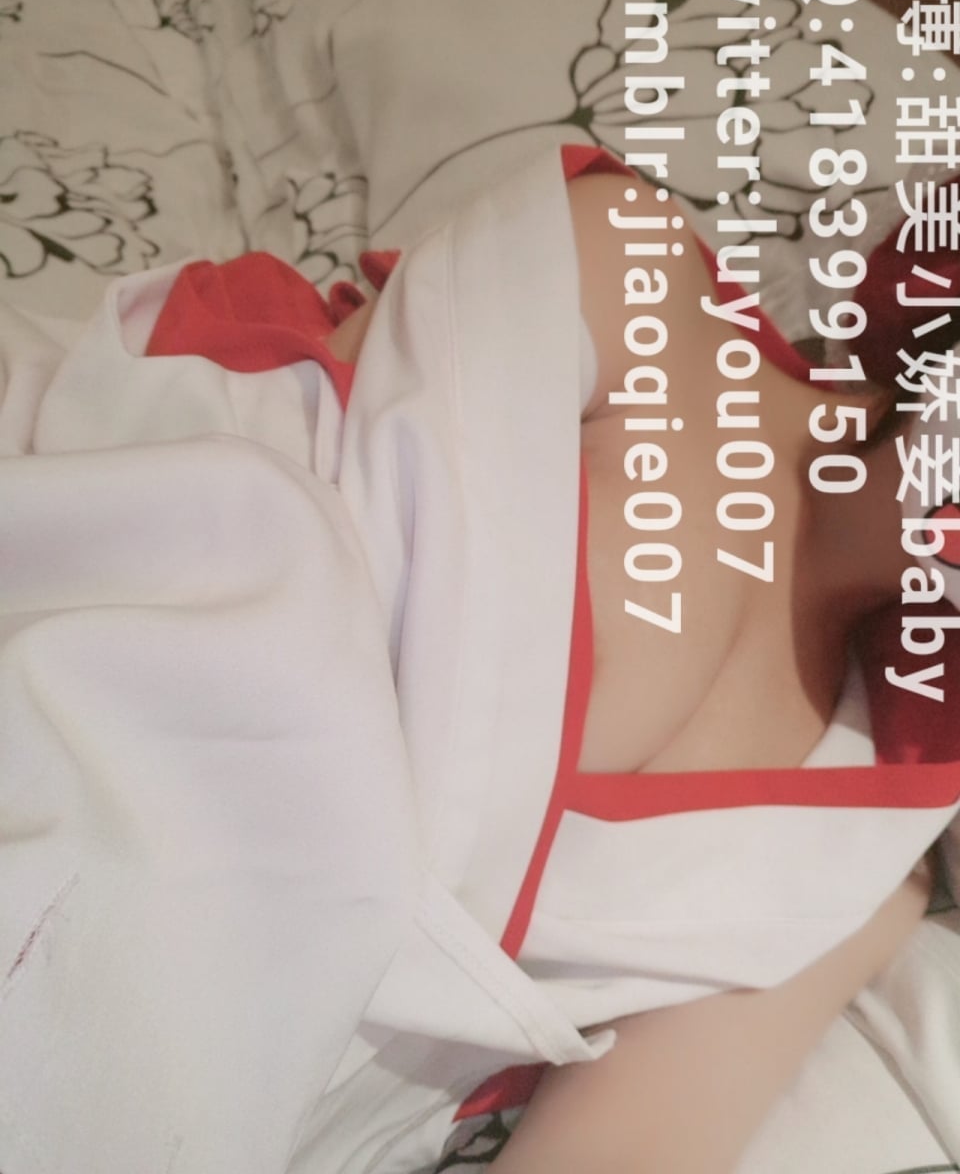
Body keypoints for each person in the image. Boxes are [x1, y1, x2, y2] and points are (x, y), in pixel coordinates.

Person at [1, 142, 957, 1174]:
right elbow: (225, 475)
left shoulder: (858, 851)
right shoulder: (638, 271)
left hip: (166, 1035)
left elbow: (615, 1156)